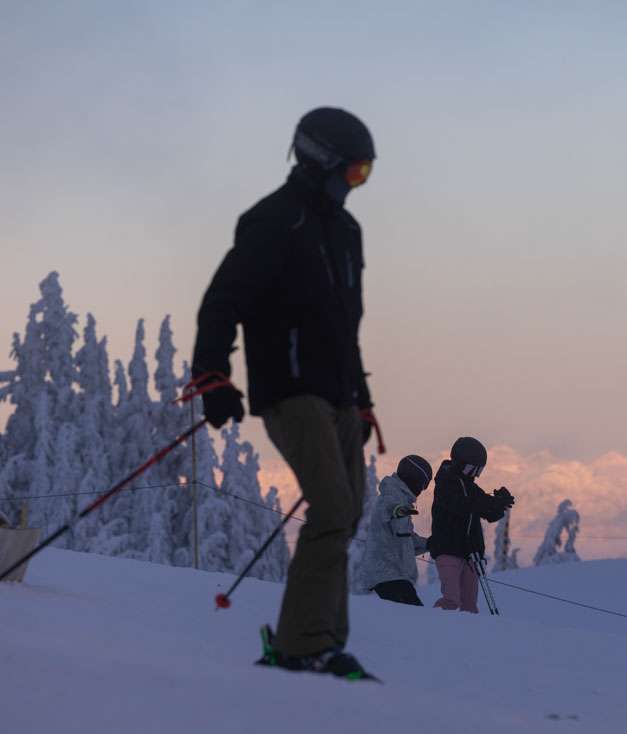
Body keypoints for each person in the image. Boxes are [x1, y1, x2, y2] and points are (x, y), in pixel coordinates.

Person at [191, 107, 378, 679]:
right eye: (354, 173)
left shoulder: (346, 232)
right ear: (320, 160)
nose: (357, 186)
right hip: (290, 389)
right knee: (332, 506)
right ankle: (303, 645)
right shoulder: (275, 220)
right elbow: (223, 301)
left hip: (340, 394)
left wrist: (363, 395)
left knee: (346, 516)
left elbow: (344, 324)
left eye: (365, 176)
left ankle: (324, 642)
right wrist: (213, 377)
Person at [429, 437, 514, 612]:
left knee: (469, 606)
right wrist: (489, 503)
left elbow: (488, 513)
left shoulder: (471, 488)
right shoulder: (445, 485)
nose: (474, 474)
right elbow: (461, 505)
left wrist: (499, 504)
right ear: (459, 463)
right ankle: (433, 627)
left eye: (479, 470)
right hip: (448, 550)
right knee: (451, 601)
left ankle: (467, 637)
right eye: (471, 468)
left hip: (470, 556)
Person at [363, 455, 433, 606]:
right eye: (422, 485)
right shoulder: (392, 494)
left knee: (411, 620)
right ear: (413, 479)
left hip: (396, 575)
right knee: (415, 619)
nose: (421, 490)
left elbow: (406, 541)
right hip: (387, 574)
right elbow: (386, 507)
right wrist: (395, 510)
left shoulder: (403, 501)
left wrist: (429, 544)